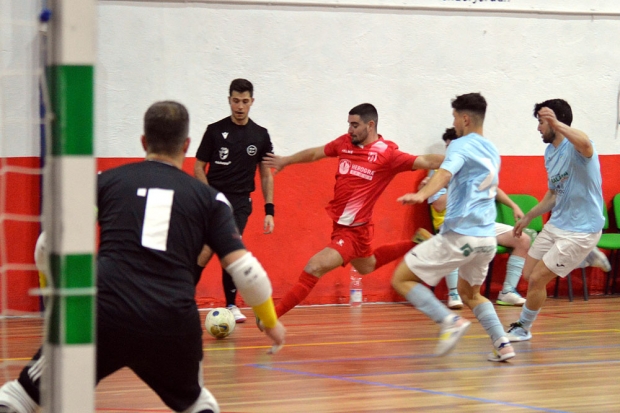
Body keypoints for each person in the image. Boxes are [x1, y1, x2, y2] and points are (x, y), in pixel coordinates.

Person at [0, 101, 285, 413]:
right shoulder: (211, 200)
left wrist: (55, 300)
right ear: (187, 145)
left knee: (20, 396)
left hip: (103, 313)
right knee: (198, 403)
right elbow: (247, 270)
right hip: (171, 320)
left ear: (143, 142)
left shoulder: (107, 182)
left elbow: (46, 244)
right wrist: (269, 321)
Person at [262, 103, 444, 319]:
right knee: (367, 266)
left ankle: (272, 317)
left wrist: (461, 160)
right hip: (348, 226)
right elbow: (315, 154)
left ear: (370, 125)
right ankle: (416, 242)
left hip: (352, 232)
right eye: (349, 124)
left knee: (314, 267)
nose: (350, 130)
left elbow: (426, 160)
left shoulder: (387, 154)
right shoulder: (345, 143)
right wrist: (286, 160)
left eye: (355, 125)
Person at [391, 93, 516, 362]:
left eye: (455, 117)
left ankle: (449, 321)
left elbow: (445, 174)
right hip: (486, 241)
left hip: (461, 235)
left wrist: (422, 195)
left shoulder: (459, 146)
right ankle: (503, 343)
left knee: (401, 278)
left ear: (465, 118)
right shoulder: (492, 150)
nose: (454, 123)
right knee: (472, 294)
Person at [506, 99, 609, 342]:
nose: (539, 128)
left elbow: (584, 142)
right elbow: (553, 194)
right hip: (558, 224)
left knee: (538, 279)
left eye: (541, 122)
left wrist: (558, 124)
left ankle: (523, 328)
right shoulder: (550, 153)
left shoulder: (578, 148)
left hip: (582, 230)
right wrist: (529, 216)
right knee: (528, 274)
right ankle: (583, 257)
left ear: (556, 121)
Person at [421, 127, 531, 309]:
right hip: (452, 223)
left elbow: (493, 189)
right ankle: (454, 293)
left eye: (453, 146)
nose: (450, 151)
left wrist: (513, 205)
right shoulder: (438, 172)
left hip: (480, 223)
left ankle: (508, 291)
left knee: (523, 240)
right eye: (447, 147)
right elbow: (439, 204)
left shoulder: (476, 167)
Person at [194, 78, 274, 323]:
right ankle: (183, 299)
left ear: (252, 102)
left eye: (245, 101)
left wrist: (269, 209)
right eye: (236, 101)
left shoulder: (260, 135)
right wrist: (208, 197)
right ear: (229, 100)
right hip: (214, 199)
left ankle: (231, 304)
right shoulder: (214, 130)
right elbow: (198, 167)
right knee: (204, 253)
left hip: (240, 202)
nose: (240, 106)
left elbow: (266, 173)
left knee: (229, 248)